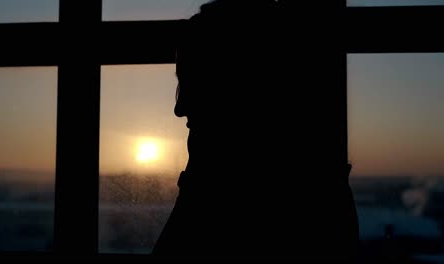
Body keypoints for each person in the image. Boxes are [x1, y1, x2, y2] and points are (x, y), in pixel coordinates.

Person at [152, 0, 359, 261]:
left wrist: (199, 179)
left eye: (194, 83)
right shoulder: (319, 194)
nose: (179, 108)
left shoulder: (224, 193)